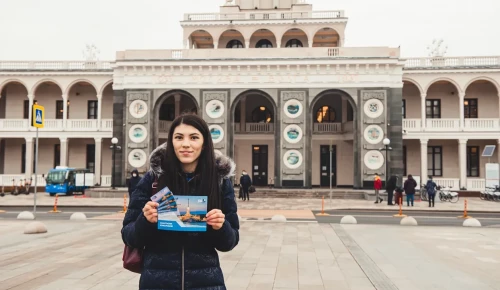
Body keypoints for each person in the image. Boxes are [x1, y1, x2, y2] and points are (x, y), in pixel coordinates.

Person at [121, 113, 239, 290]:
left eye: (194, 137)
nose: (186, 144)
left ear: (204, 143)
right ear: (171, 142)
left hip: (206, 282)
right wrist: (145, 221)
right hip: (157, 282)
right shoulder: (153, 180)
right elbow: (128, 235)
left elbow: (230, 242)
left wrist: (220, 226)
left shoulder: (219, 182)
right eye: (178, 137)